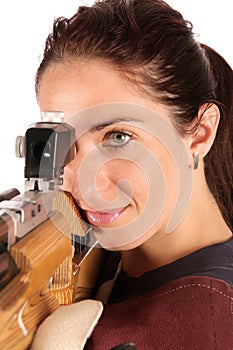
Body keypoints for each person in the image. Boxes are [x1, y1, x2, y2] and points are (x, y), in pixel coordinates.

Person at [34, 0, 233, 348]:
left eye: (118, 137)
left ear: (200, 133)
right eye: (62, 142)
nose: (82, 182)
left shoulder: (209, 325)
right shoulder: (98, 256)